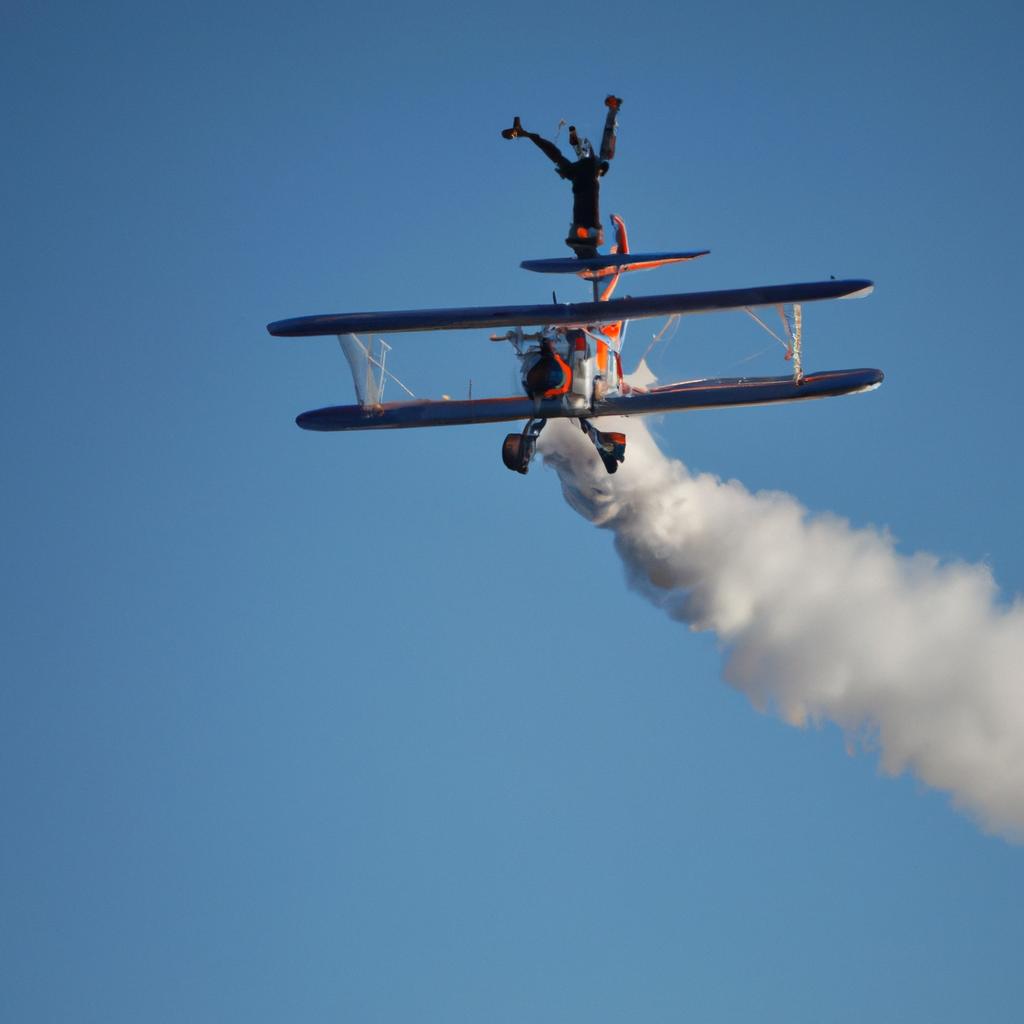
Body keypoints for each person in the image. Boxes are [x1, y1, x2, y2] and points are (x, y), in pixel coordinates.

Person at [502, 96, 622, 258]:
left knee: (596, 160)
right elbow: (553, 153)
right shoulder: (587, 167)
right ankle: (585, 236)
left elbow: (553, 153)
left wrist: (528, 135)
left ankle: (584, 236)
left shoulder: (580, 169)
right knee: (599, 159)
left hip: (583, 228)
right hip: (586, 228)